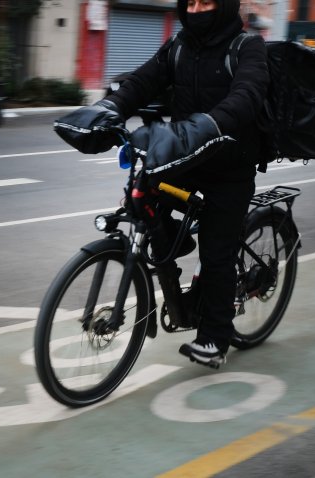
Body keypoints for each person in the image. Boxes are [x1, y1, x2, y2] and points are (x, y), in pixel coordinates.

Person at [56, 0, 269, 367]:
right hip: (185, 153)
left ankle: (215, 338)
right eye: (191, 3)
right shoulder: (180, 44)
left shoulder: (247, 46)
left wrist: (209, 125)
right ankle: (173, 239)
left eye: (207, 2)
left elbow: (247, 95)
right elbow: (143, 81)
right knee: (141, 195)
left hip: (230, 163)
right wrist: (110, 108)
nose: (198, 9)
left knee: (217, 252)